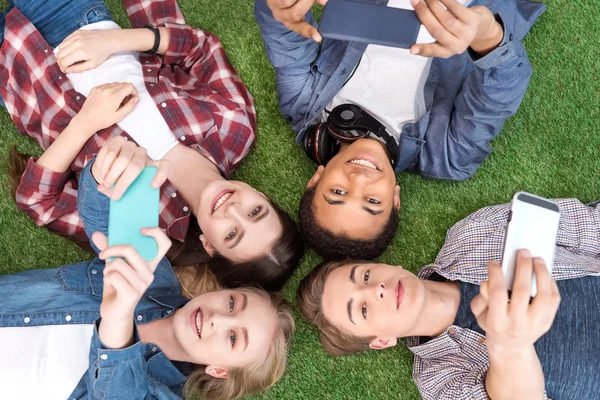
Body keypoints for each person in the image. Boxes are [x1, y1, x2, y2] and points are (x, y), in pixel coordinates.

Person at [0, 0, 304, 291]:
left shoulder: (144, 226)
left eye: (232, 234)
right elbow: (202, 50)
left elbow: (39, 202)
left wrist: (85, 123)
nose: (233, 209)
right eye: (255, 212)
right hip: (79, 21)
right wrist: (115, 41)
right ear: (262, 196)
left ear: (210, 247)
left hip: (25, 76)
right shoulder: (235, 130)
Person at [255, 0, 545, 260]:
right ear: (395, 199)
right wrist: (486, 35)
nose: (359, 179)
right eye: (372, 201)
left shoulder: (303, 105)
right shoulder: (448, 157)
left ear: (316, 179)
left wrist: (281, 6)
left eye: (339, 191)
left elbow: (283, 32)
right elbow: (500, 91)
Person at [0, 158, 295, 400]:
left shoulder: (160, 395)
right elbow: (102, 214)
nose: (219, 319)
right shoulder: (155, 275)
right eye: (232, 303)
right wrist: (105, 169)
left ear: (220, 370)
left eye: (233, 338)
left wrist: (118, 322)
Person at [296, 198, 600, 399]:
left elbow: (588, 225)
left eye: (364, 276)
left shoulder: (472, 233)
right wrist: (510, 348)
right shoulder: (437, 380)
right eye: (362, 309)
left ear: (386, 265)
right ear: (382, 340)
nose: (376, 290)